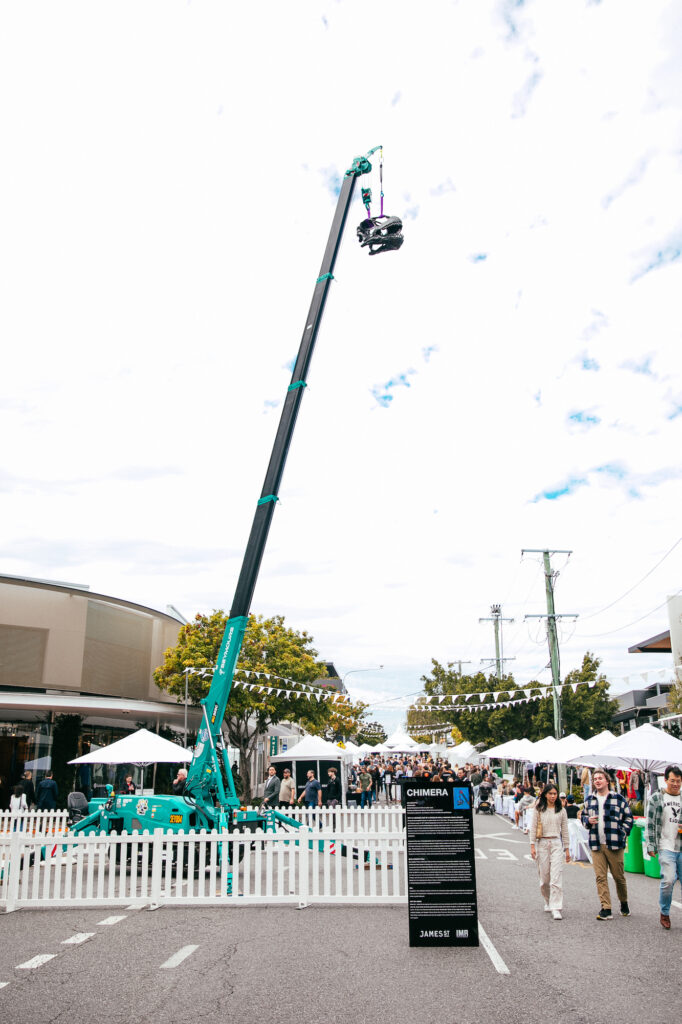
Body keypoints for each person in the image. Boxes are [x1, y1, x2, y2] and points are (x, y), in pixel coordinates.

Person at [581, 767, 633, 921]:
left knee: (618, 877)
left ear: (607, 781)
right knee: (600, 877)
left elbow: (629, 818)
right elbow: (583, 817)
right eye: (595, 779)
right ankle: (606, 908)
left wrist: (622, 833)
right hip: (596, 844)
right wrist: (587, 821)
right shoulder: (589, 799)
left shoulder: (618, 798)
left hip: (615, 844)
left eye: (600, 778)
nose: (597, 781)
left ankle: (623, 902)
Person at [644, 764, 682, 930]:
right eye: (672, 780)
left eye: (678, 781)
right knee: (668, 880)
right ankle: (664, 912)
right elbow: (650, 824)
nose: (675, 784)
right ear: (665, 780)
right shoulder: (656, 799)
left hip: (680, 845)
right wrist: (651, 845)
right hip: (665, 846)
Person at [528, 783, 570, 919]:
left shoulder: (561, 810)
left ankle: (556, 906)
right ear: (545, 794)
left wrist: (567, 849)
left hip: (556, 843)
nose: (553, 796)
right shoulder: (538, 809)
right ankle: (547, 900)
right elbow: (533, 828)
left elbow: (565, 830)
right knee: (545, 878)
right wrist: (532, 845)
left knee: (556, 877)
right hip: (542, 844)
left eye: (555, 794)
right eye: (550, 793)